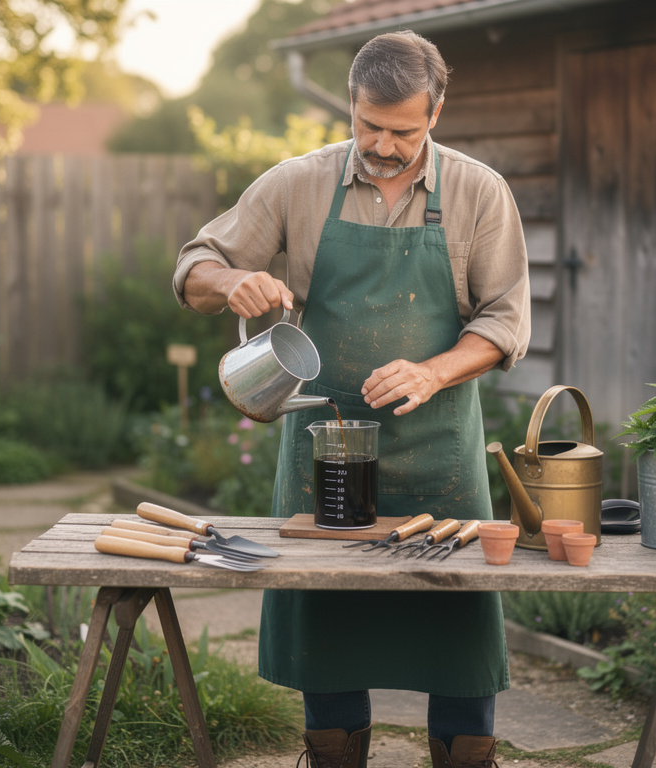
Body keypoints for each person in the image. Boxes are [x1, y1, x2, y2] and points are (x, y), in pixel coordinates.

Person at [173, 30, 531, 768]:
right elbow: (193, 264)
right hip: (323, 446)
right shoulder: (296, 183)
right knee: (329, 632)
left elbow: (503, 321)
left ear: (436, 110)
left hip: (439, 456)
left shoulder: (478, 191)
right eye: (368, 125)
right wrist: (231, 282)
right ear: (351, 103)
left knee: (456, 631)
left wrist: (433, 370)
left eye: (403, 130)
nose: (383, 144)